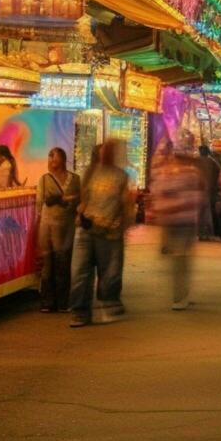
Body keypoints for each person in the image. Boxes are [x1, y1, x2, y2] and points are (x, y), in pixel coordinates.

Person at [70, 139, 133, 327]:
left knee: (109, 274)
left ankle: (107, 305)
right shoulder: (90, 173)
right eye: (103, 150)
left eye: (109, 151)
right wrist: (80, 213)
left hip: (109, 233)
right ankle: (79, 311)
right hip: (86, 229)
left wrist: (122, 227)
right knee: (79, 271)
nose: (105, 153)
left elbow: (126, 206)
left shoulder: (121, 176)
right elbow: (84, 198)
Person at [153, 141, 204, 310]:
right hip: (184, 222)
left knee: (179, 261)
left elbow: (158, 195)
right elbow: (198, 198)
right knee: (182, 262)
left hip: (172, 221)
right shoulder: (191, 174)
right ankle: (180, 296)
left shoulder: (165, 174)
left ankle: (180, 295)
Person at [35, 147, 79, 313]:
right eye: (49, 158)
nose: (51, 161)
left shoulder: (75, 179)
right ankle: (47, 301)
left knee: (63, 260)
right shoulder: (44, 179)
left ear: (63, 160)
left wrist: (65, 200)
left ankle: (63, 301)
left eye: (54, 158)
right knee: (48, 262)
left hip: (66, 226)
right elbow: (39, 203)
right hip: (47, 225)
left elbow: (78, 200)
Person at [196, 142, 221, 241]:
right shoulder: (213, 162)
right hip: (210, 192)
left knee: (200, 213)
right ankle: (208, 233)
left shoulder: (196, 162)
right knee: (209, 213)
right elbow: (220, 174)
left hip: (198, 192)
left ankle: (200, 233)